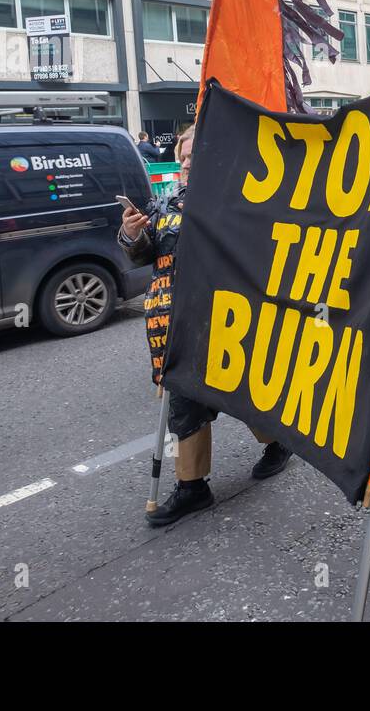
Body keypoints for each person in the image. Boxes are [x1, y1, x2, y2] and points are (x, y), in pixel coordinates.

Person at [118, 125, 292, 527]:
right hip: (175, 325)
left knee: (242, 393)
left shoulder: (244, 200)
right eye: (183, 159)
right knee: (183, 405)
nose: (187, 164)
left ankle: (279, 443)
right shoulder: (164, 206)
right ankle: (193, 486)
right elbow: (145, 255)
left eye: (195, 156)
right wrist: (132, 236)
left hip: (229, 322)